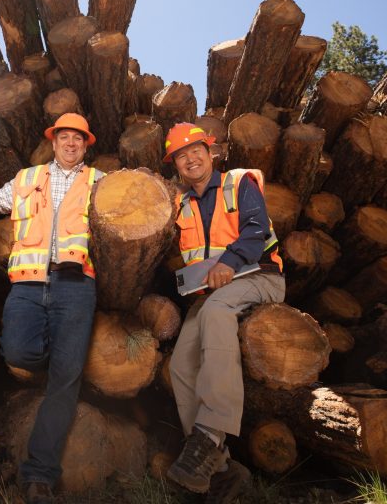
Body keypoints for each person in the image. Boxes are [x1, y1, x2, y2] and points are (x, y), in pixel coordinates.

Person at [0, 113, 104, 504]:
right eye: (64, 137)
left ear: (86, 145)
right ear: (53, 143)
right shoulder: (25, 179)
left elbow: (135, 205)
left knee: (65, 381)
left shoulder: (100, 182)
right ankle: (58, 368)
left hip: (76, 285)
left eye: (78, 139)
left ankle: (39, 476)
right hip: (29, 283)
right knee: (16, 351)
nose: (71, 144)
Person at [164, 123, 285, 503]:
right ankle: (220, 472)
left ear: (210, 151)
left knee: (216, 310)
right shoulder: (180, 205)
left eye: (196, 149)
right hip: (212, 290)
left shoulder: (239, 182)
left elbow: (254, 230)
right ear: (177, 166)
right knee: (180, 365)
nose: (190, 158)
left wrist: (229, 262)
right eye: (182, 156)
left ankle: (209, 436)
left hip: (259, 276)